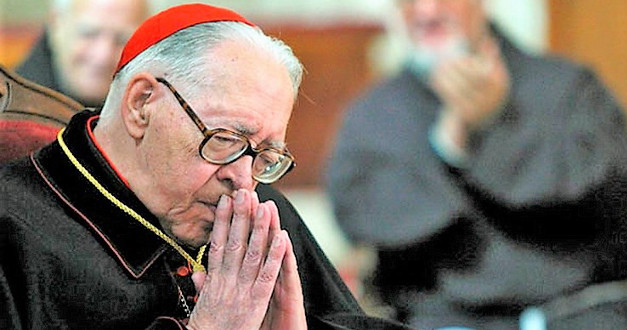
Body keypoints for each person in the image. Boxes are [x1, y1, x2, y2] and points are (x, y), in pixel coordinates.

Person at [0, 4, 413, 330]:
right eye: (226, 140)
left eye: (266, 156)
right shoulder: (12, 228)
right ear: (142, 104)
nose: (244, 179)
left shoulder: (254, 207)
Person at [326, 0, 627, 329]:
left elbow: (604, 186)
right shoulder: (374, 113)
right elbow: (359, 214)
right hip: (441, 318)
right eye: (408, 1)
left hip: (575, 312)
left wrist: (496, 126)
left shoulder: (569, 88)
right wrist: (449, 148)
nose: (427, 11)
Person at [15, 0, 150, 108]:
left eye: (122, 39)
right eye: (89, 34)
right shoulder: (11, 118)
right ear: (55, 23)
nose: (103, 56)